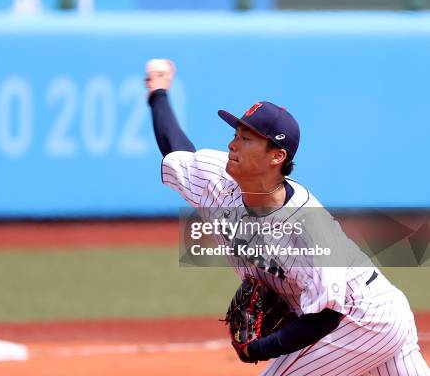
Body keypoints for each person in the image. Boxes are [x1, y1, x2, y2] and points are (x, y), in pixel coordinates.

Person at [145, 59, 429, 375]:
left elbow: (327, 315)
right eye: (236, 134)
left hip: (361, 318)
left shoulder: (308, 227)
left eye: (245, 138)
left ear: (277, 156)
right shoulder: (219, 182)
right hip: (384, 312)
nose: (232, 144)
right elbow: (177, 152)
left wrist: (263, 347)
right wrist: (158, 92)